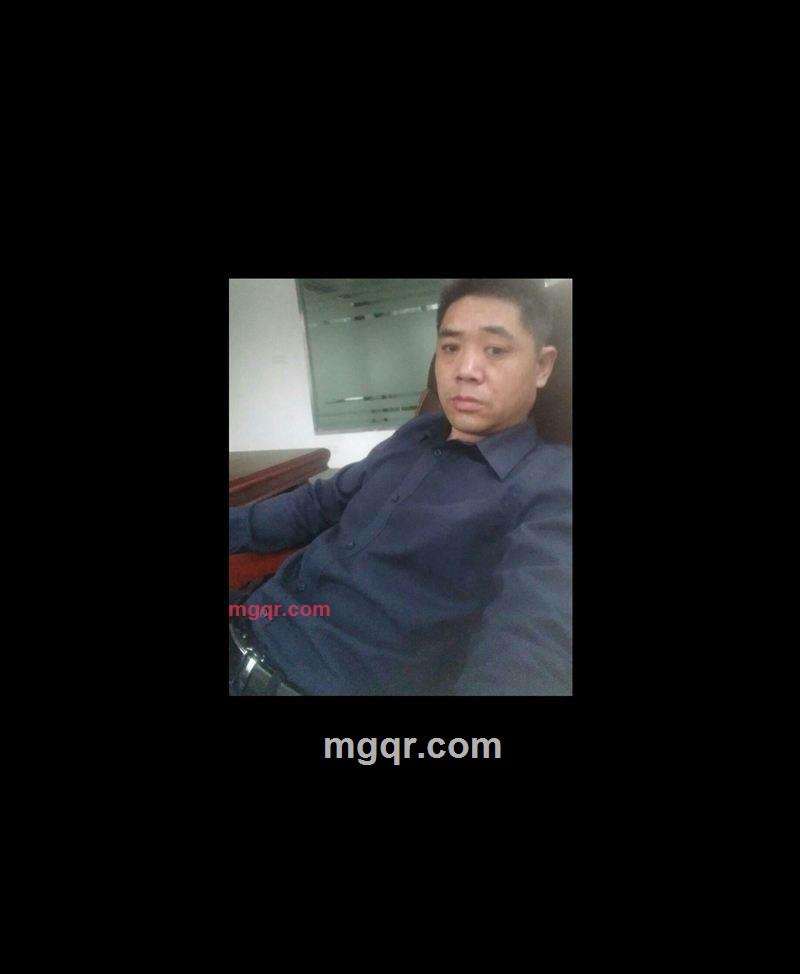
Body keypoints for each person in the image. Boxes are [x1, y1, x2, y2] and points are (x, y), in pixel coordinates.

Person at [229, 279, 572, 696]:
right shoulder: (414, 436)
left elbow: (531, 641)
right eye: (450, 347)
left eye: (495, 350)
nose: (465, 370)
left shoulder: (553, 484)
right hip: (248, 619)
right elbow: (317, 503)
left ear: (542, 366)